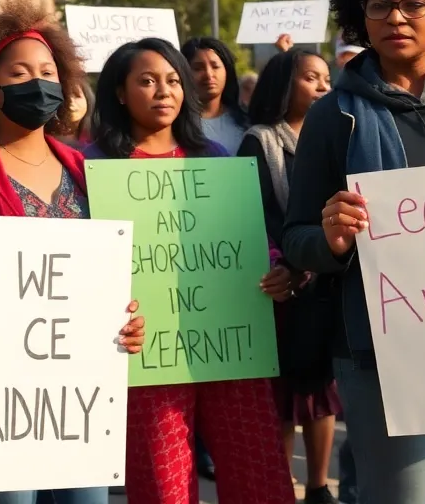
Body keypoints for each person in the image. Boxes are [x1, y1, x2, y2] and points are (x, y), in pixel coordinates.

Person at [281, 0, 425, 504]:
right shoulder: (334, 116)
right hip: (381, 356)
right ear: (359, 15)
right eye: (380, 4)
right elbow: (296, 239)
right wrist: (332, 237)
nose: (396, 17)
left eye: (414, 2)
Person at [0, 0, 145, 504]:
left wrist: (128, 318)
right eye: (19, 72)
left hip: (80, 391)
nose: (37, 82)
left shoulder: (85, 169)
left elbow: (114, 270)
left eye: (48, 71)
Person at [84, 38, 295, 504]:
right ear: (119, 92)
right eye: (147, 80)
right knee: (164, 487)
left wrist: (277, 271)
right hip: (149, 358)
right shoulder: (92, 166)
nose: (164, 91)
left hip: (232, 349)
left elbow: (250, 239)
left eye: (174, 80)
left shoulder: (216, 158)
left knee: (258, 478)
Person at [238, 49, 339, 504]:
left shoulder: (334, 135)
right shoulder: (258, 142)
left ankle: (318, 488)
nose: (323, 86)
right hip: (279, 287)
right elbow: (252, 215)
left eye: (326, 78)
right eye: (311, 78)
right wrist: (287, 267)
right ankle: (283, 490)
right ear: (283, 85)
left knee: (321, 397)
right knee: (283, 400)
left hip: (326, 285)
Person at [181, 36, 249, 154]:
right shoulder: (174, 124)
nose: (208, 74)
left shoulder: (246, 122)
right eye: (198, 68)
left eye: (215, 66)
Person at [65, 80, 95, 147]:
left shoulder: (98, 136)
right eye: (64, 97)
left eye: (77, 96)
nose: (71, 102)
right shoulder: (42, 139)